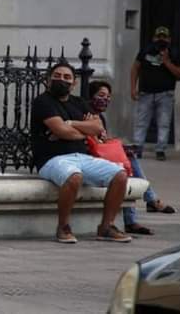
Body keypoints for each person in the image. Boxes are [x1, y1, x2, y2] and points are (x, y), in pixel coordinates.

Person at [31, 62, 131, 244]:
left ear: (74, 83)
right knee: (74, 177)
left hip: (83, 157)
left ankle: (106, 227)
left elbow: (98, 127)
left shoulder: (79, 103)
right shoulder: (42, 102)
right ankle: (63, 227)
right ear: (48, 80)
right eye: (57, 76)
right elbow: (62, 131)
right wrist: (81, 130)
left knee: (120, 175)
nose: (62, 80)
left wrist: (70, 123)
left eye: (67, 77)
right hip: (52, 159)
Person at [87, 81, 174, 235]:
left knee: (128, 160)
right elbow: (91, 142)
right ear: (91, 96)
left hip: (101, 155)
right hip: (90, 158)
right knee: (126, 163)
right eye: (101, 95)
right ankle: (147, 204)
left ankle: (138, 213)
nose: (105, 100)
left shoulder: (101, 117)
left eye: (108, 97)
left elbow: (102, 141)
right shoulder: (86, 114)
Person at [130, 26, 180, 161]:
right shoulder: (145, 51)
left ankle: (160, 149)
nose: (161, 40)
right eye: (159, 37)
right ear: (154, 38)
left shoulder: (175, 52)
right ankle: (138, 147)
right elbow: (135, 68)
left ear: (169, 39)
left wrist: (166, 61)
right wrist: (133, 88)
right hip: (146, 92)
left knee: (164, 122)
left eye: (164, 37)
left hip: (165, 93)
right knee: (141, 121)